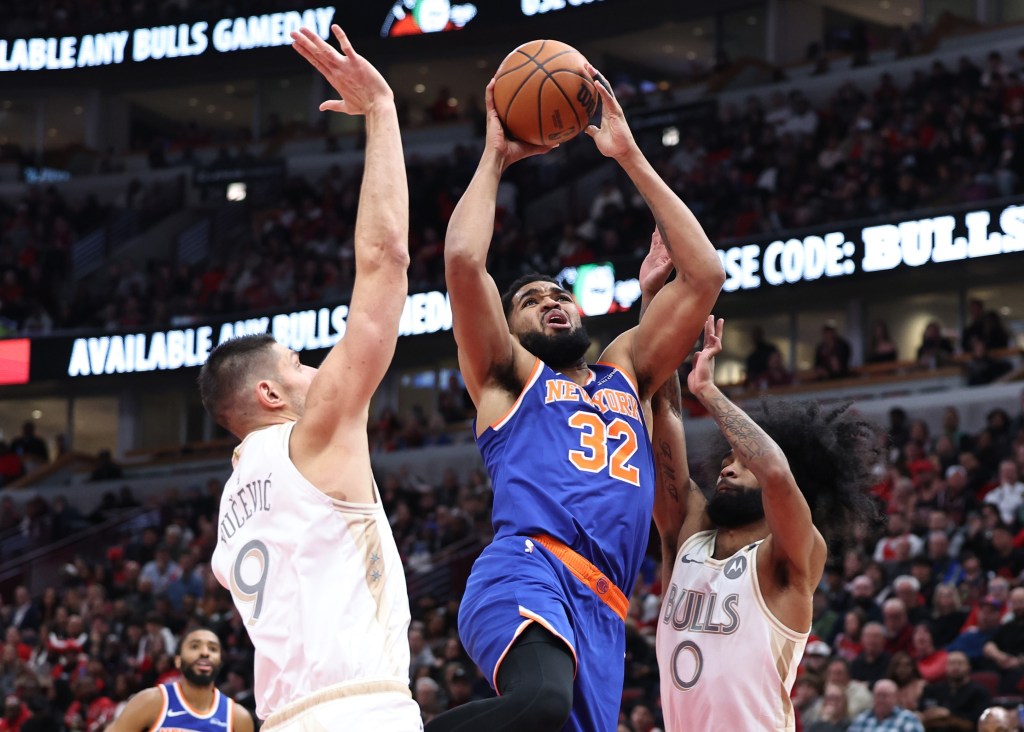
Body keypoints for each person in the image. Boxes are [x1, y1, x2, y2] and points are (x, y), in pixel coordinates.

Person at [425, 65, 723, 732]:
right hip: (528, 571)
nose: (553, 303)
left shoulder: (625, 371)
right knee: (539, 705)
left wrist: (627, 154)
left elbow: (704, 273)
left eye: (560, 295)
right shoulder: (506, 375)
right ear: (512, 328)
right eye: (531, 301)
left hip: (604, 608)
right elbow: (464, 265)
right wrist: (496, 156)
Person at [200, 24, 420, 731]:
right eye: (298, 364)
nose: (316, 369)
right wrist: (383, 112)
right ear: (268, 395)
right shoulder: (315, 435)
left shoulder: (230, 519)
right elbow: (385, 260)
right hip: (362, 712)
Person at [653, 317, 879, 731]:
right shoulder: (689, 536)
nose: (727, 470)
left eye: (742, 463)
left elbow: (775, 473)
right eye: (725, 462)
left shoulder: (792, 555)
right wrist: (658, 313)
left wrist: (707, 392)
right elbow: (663, 420)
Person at [107, 627, 253, 732]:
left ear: (220, 663)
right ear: (178, 661)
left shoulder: (238, 718)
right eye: (195, 646)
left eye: (213, 649)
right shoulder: (150, 701)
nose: (204, 653)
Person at [918, 651, 992, 730]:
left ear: (969, 667)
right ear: (945, 667)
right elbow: (921, 715)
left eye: (960, 663)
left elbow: (976, 724)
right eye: (951, 663)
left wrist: (948, 716)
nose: (955, 667)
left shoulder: (979, 692)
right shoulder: (933, 690)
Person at [847, 679, 924, 731]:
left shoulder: (907, 719)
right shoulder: (862, 719)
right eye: (877, 695)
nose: (880, 700)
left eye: (885, 696)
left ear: (895, 698)